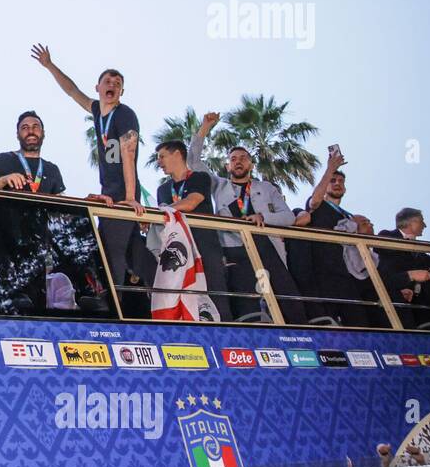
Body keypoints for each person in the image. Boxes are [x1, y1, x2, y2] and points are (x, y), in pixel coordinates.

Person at [32, 44, 154, 317]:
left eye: (118, 83)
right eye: (108, 81)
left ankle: (114, 311)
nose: (112, 85)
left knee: (112, 253)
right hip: (109, 191)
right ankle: (147, 305)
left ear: (122, 92)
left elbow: (129, 153)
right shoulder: (99, 110)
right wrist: (50, 65)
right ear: (98, 87)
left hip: (121, 194)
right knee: (137, 256)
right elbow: (72, 90)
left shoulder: (125, 114)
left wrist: (130, 197)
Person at [190, 112, 308, 324]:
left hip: (266, 247)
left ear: (251, 165)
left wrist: (263, 216)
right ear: (227, 166)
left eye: (243, 158)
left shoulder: (266, 187)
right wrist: (204, 129)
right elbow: (193, 161)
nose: (238, 162)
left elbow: (288, 217)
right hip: (235, 249)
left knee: (286, 299)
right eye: (233, 159)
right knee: (246, 302)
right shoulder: (219, 186)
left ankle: (299, 339)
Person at [294, 151, 379, 326]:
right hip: (322, 275)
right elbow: (315, 201)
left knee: (359, 323)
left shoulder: (348, 217)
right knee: (330, 324)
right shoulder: (320, 205)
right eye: (333, 181)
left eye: (341, 181)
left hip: (346, 275)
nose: (337, 184)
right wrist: (330, 169)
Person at [154, 140, 230, 320]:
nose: (159, 162)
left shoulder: (200, 177)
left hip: (205, 247)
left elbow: (191, 202)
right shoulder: (163, 189)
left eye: (162, 157)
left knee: (216, 295)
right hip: (179, 250)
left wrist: (161, 211)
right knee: (186, 296)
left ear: (177, 154)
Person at [376, 208, 430, 328]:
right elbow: (380, 248)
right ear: (412, 222)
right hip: (389, 294)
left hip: (409, 298)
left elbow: (428, 262)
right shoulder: (388, 234)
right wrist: (406, 243)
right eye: (422, 221)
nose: (425, 225)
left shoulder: (417, 249)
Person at [0, 111, 66, 195]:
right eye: (25, 128)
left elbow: (63, 204)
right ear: (17, 135)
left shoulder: (52, 169)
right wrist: (3, 180)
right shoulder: (3, 159)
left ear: (43, 133)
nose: (31, 131)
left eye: (35, 127)